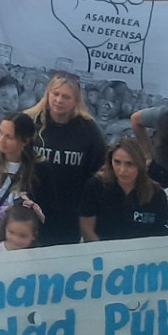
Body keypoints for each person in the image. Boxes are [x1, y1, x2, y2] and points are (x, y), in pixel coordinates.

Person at [26, 75, 107, 248]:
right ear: (48, 94)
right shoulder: (31, 122)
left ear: (76, 100)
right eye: (55, 94)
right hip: (30, 208)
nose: (59, 100)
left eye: (66, 97)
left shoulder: (88, 129)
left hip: (68, 212)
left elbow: (98, 172)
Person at [78, 136, 168, 242]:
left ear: (140, 165)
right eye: (117, 162)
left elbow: (164, 236)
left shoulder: (156, 194)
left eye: (129, 164)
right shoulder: (96, 186)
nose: (122, 170)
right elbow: (87, 229)